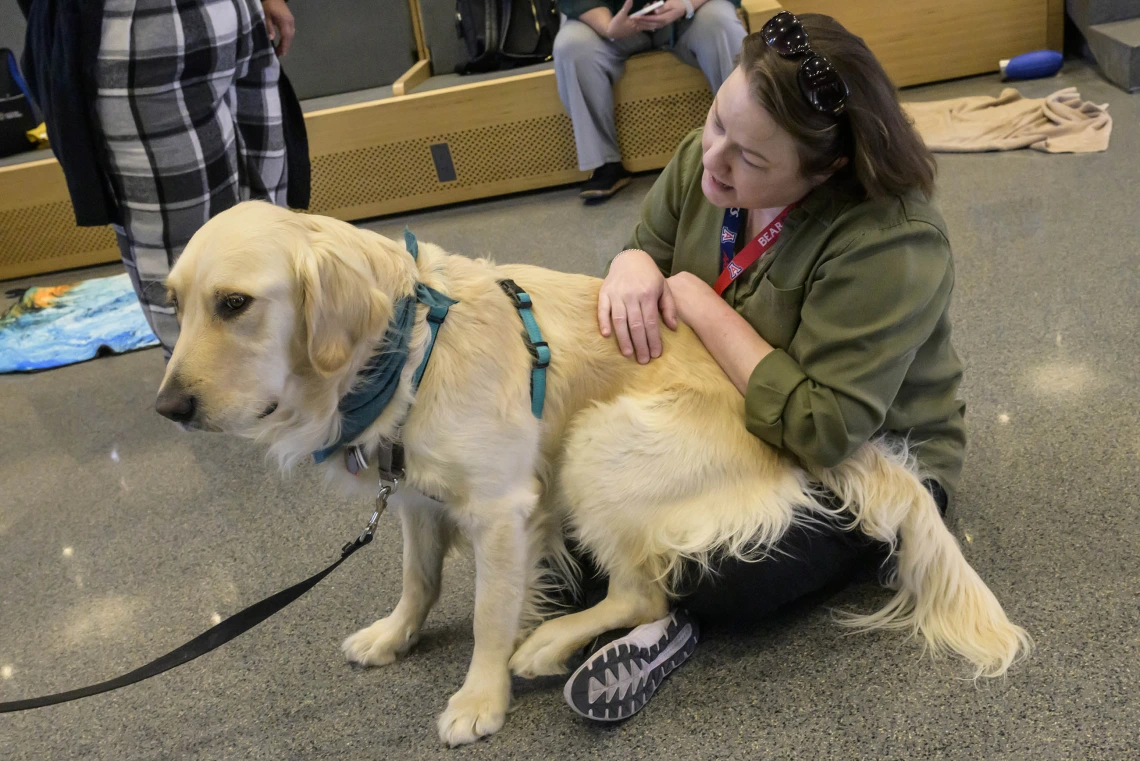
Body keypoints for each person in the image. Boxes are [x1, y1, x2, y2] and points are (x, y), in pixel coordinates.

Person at [562, 12, 966, 721]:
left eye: (751, 160)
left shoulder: (892, 240)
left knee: (724, 571)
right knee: (570, 516)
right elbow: (649, 249)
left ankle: (670, 617)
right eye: (717, 118)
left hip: (865, 459)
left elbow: (823, 430)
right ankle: (648, 594)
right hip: (723, 425)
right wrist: (628, 263)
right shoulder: (708, 156)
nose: (713, 159)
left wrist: (694, 300)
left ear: (829, 168)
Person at [18, 0, 309, 357]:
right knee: (183, 272)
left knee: (269, 234)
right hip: (139, 28)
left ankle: (292, 396)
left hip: (240, 19)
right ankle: (212, 406)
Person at [554, 0, 746, 201]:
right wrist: (608, 27)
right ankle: (605, 163)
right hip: (608, 18)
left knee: (720, 22)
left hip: (689, 13)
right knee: (571, 45)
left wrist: (686, 3)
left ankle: (742, 142)